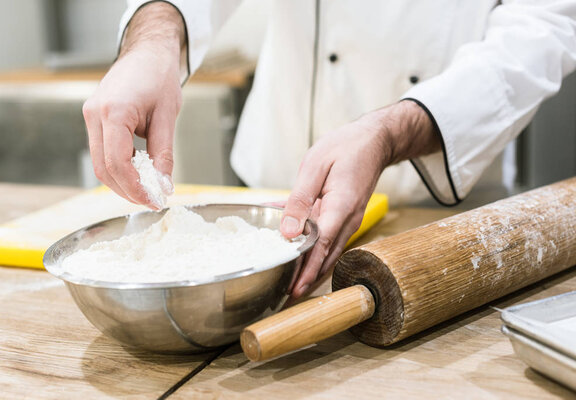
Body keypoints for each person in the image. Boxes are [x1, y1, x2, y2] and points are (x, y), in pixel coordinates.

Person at [83, 1, 576, 298]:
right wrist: (153, 43)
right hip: (272, 192)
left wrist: (391, 132)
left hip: (436, 201)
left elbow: (544, 26)